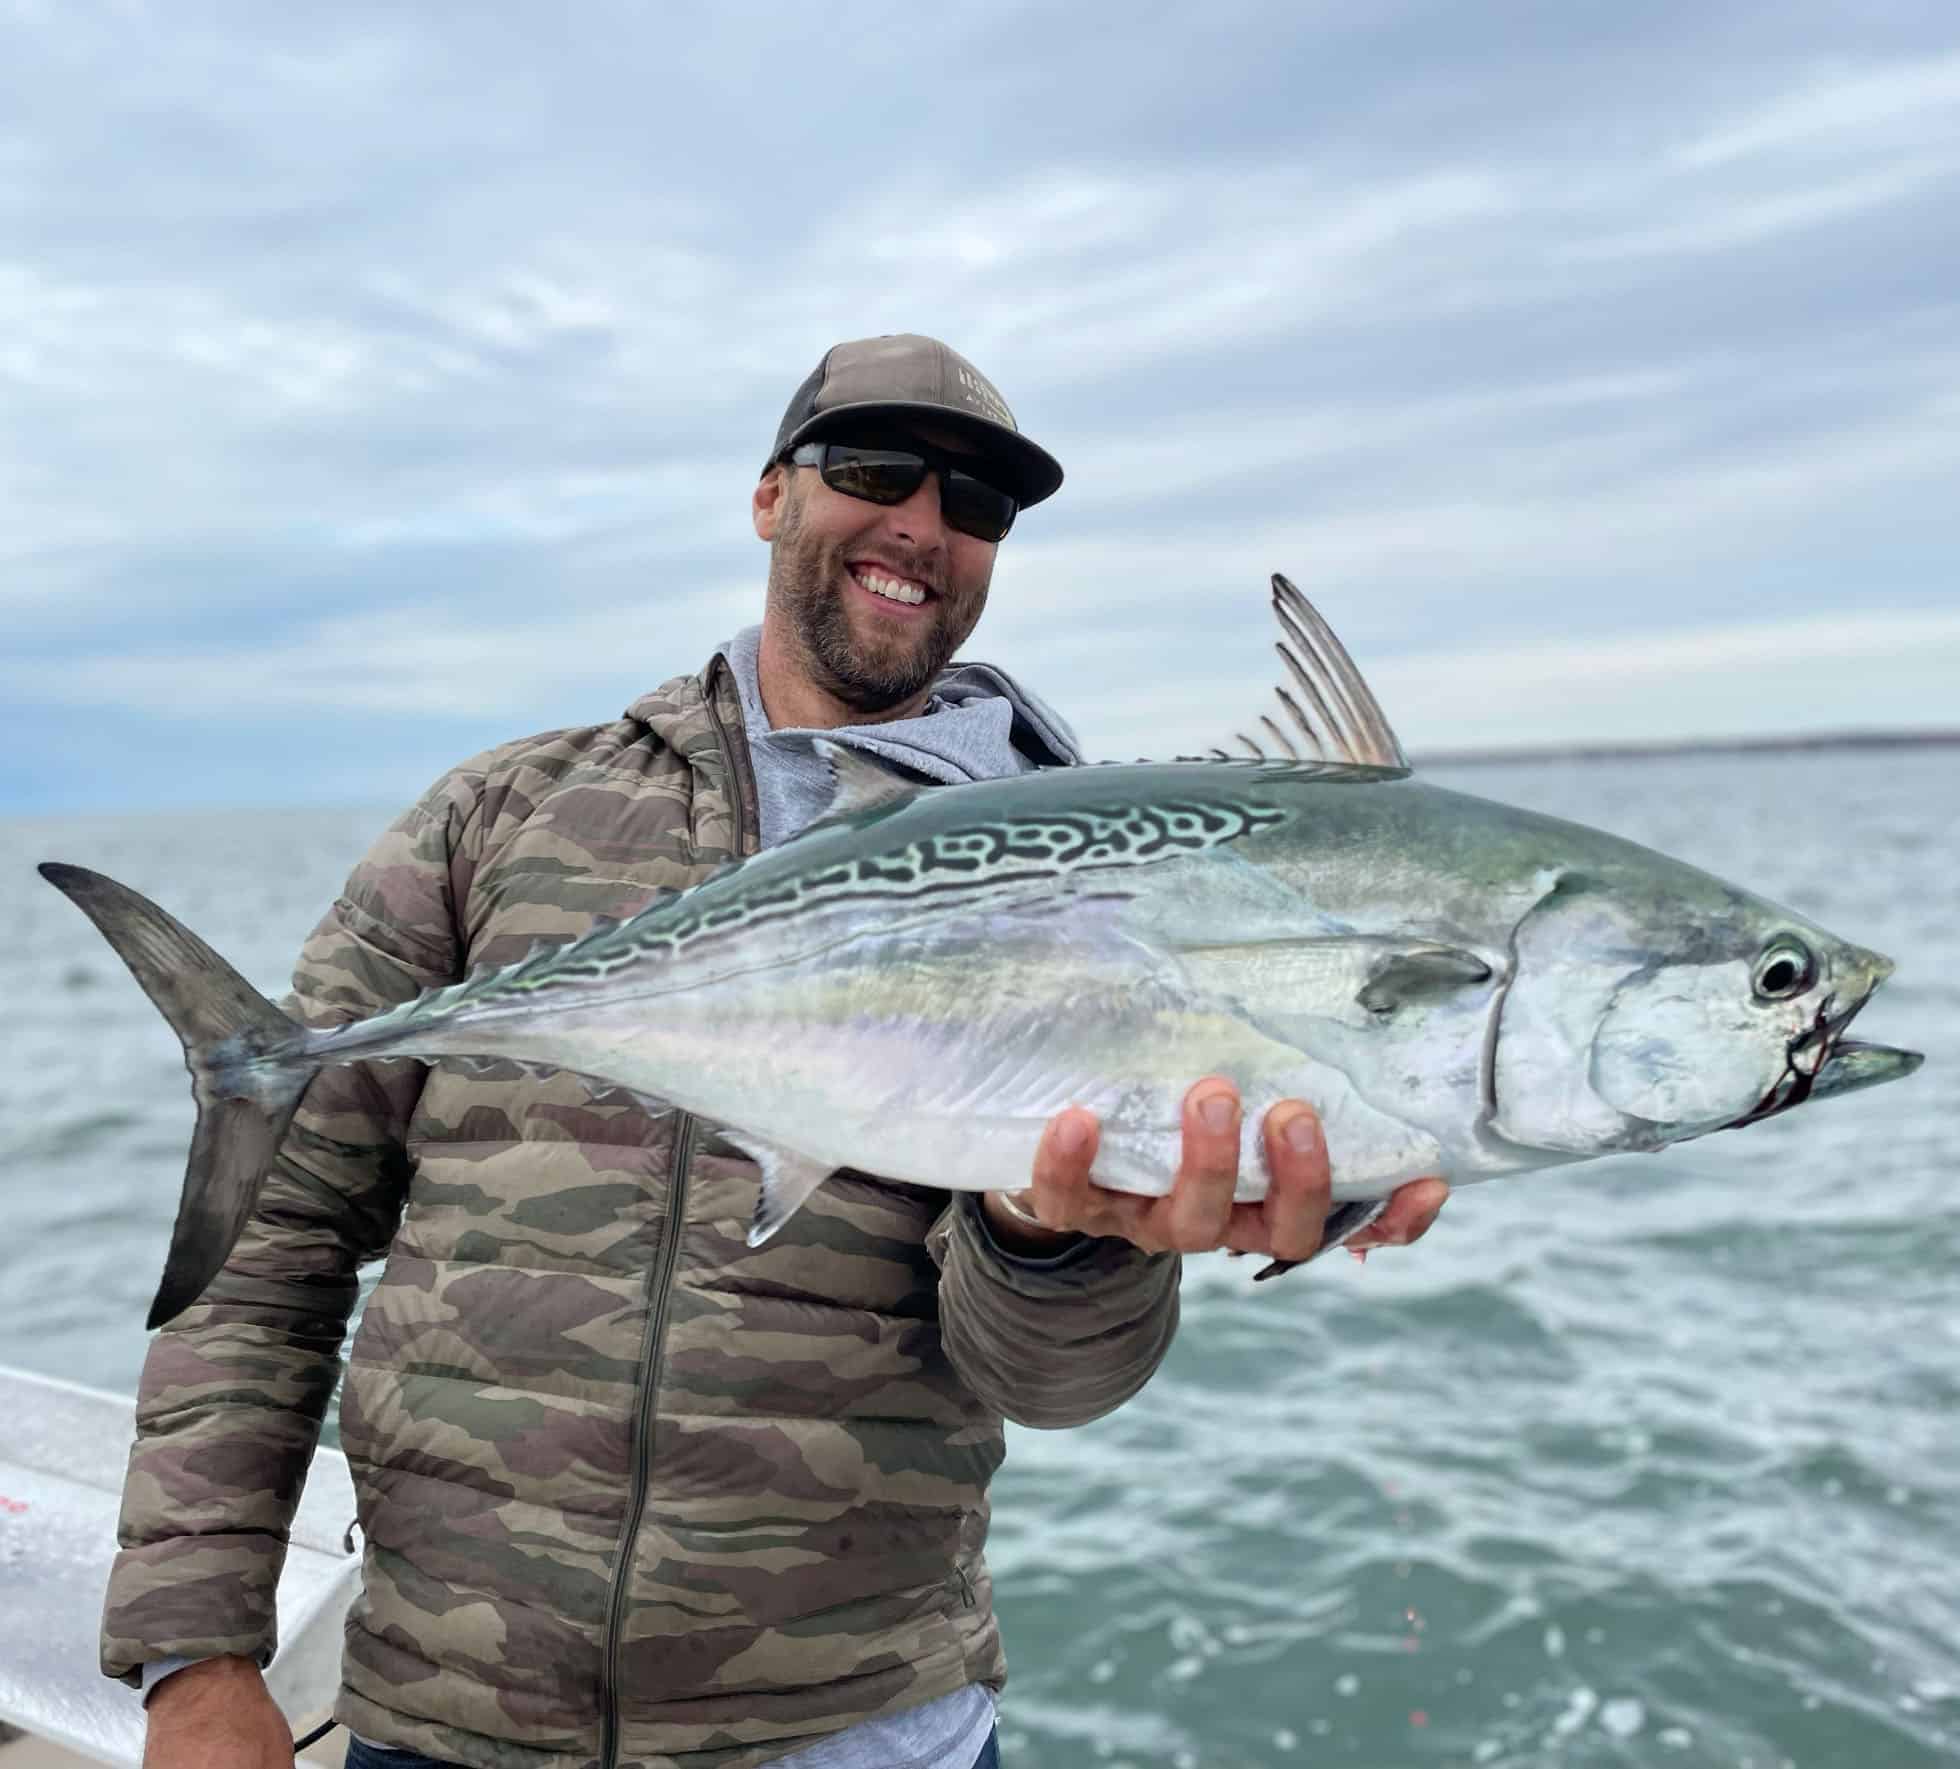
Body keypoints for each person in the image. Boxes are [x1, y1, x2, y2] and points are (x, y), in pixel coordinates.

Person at [110, 334, 1449, 1769]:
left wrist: (1051, 1231)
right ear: (769, 496)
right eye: (874, 469)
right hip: (444, 1714)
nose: (921, 525)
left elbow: (1052, 1385)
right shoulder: (502, 817)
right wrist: (197, 1657)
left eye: (976, 502)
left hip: (861, 1729)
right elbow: (281, 1237)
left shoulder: (1096, 877)